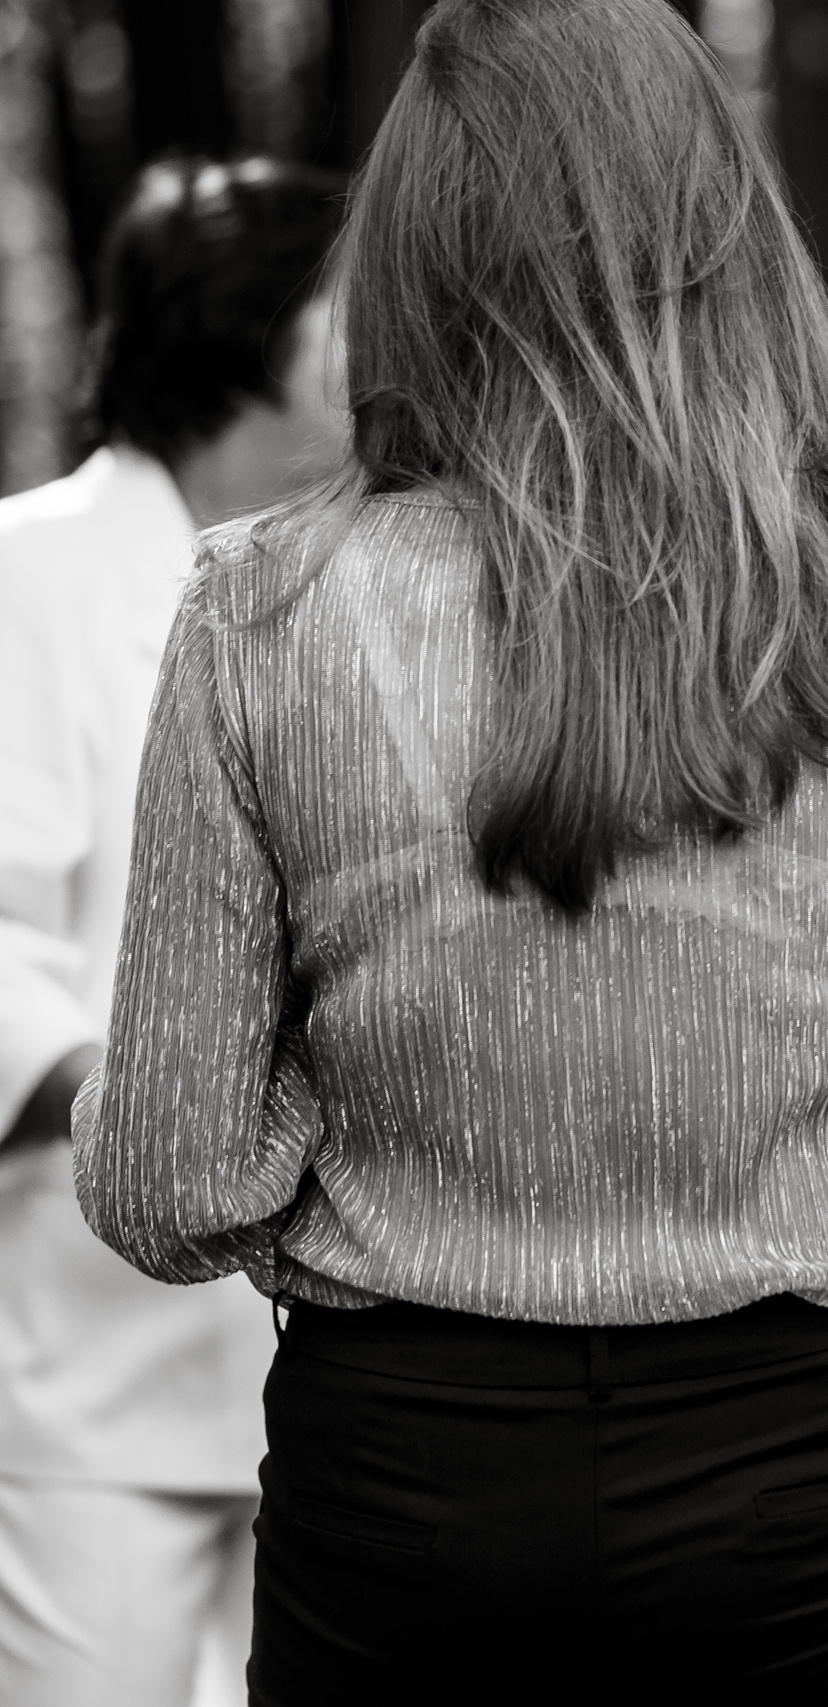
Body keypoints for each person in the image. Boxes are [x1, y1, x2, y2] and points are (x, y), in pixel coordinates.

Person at [71, 4, 828, 1702]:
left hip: (412, 1486)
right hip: (823, 1493)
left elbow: (169, 1184)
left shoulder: (258, 610)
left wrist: (331, 1130)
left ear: (415, 243)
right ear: (724, 227)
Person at [0, 154, 343, 1707]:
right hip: (86, 1382)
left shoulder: (361, 581)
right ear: (251, 332)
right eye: (351, 307)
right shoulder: (28, 573)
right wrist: (147, 1111)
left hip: (336, 1361)